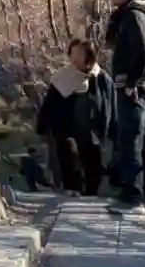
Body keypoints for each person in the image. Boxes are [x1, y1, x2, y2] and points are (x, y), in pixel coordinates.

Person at [101, 0, 145, 209]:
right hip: (138, 84)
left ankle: (133, 194)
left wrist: (131, 83)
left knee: (130, 139)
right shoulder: (134, 15)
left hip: (134, 86)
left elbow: (143, 52)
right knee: (140, 138)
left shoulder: (133, 16)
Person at [36, 37, 114, 195]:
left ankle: (91, 194)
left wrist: (113, 128)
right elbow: (50, 105)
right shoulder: (61, 78)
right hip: (66, 128)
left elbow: (110, 104)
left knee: (92, 162)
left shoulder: (100, 78)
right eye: (73, 53)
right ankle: (73, 189)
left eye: (80, 54)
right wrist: (44, 126)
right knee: (69, 156)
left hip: (92, 128)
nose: (75, 58)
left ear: (89, 56)